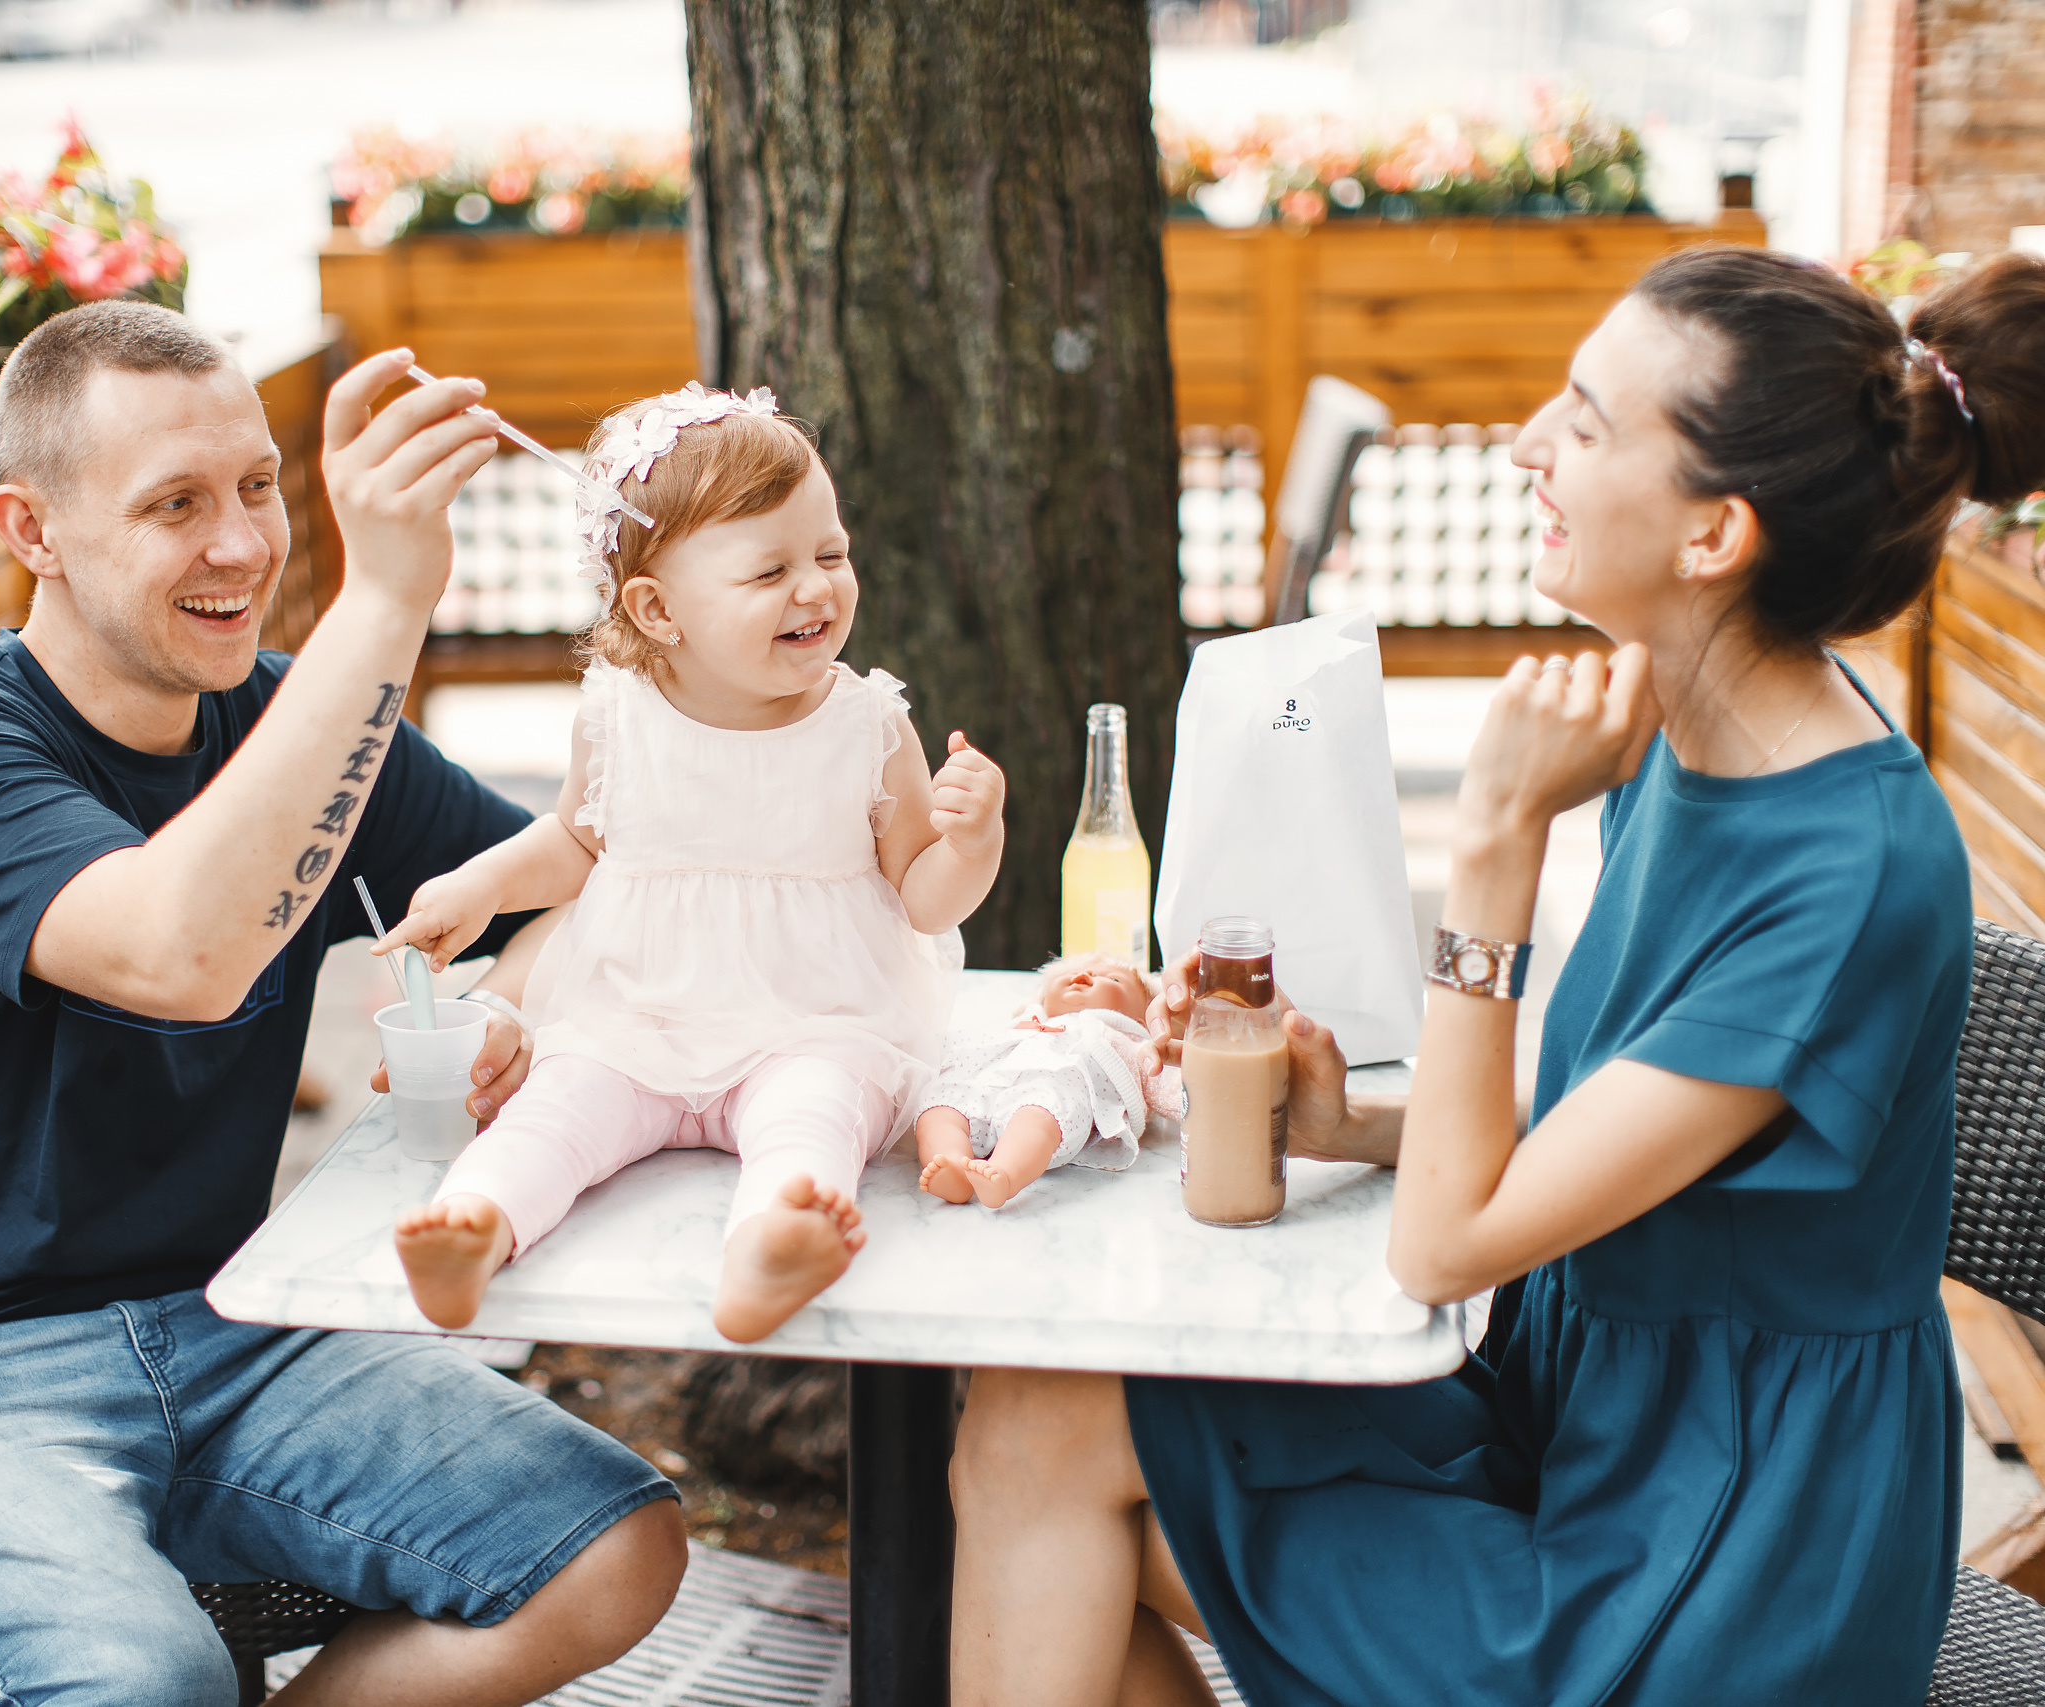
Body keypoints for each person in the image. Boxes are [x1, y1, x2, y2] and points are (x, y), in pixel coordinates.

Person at [949, 248, 2045, 1705]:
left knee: (1060, 1483)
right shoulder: (1680, 719)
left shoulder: (1842, 869)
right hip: (1583, 1429)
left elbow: (1443, 1252)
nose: (1532, 441)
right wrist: (1359, 1126)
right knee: (1038, 1417)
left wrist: (1495, 843)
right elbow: (1624, 1133)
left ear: (1715, 533)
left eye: (1587, 423)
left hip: (1724, 1568)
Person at [0, 302, 686, 1707]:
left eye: (256, 487)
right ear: (31, 529)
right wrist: (389, 599)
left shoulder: (289, 718)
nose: (241, 544)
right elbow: (181, 953)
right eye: (175, 504)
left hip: (225, 1320)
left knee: (610, 1545)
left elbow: (574, 892)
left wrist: (509, 1009)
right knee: (142, 1676)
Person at [371, 381, 1005, 1343]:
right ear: (658, 610)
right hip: (637, 1012)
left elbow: (924, 895)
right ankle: (477, 1224)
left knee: (815, 1110)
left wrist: (972, 840)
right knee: (559, 1107)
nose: (818, 587)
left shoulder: (867, 725)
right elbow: (579, 841)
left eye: (832, 553)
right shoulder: (618, 711)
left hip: (812, 1017)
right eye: (769, 572)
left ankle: (773, 1242)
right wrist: (479, 887)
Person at [914, 954, 1178, 1209]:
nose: (1083, 975)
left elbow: (1175, 1084)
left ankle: (1004, 1172)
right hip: (989, 1084)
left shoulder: (1130, 1042)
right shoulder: (1026, 1022)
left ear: (1145, 1016)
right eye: (1068, 973)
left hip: (1053, 1096)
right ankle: (951, 1162)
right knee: (941, 1106)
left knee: (1037, 1116)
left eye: (1113, 979)